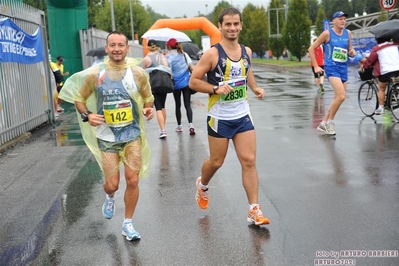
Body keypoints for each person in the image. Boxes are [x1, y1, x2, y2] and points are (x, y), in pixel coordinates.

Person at [59, 31, 155, 241]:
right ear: (107, 48)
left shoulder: (137, 73)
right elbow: (78, 97)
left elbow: (148, 97)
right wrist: (87, 115)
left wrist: (149, 108)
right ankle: (109, 197)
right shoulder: (96, 74)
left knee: (132, 180)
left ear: (127, 48)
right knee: (113, 184)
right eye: (113, 45)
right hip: (107, 137)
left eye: (121, 45)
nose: (117, 49)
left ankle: (128, 224)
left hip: (131, 135)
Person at [189, 7, 269, 226]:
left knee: (249, 161)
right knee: (217, 162)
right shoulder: (213, 54)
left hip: (242, 114)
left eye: (236, 24)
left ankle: (254, 209)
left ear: (241, 25)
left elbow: (247, 71)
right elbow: (193, 81)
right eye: (228, 24)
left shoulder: (247, 51)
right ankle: (202, 185)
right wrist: (215, 89)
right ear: (220, 26)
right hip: (219, 117)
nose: (232, 28)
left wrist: (254, 89)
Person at [308, 11, 356, 136]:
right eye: (340, 19)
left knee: (338, 99)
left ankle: (324, 123)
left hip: (343, 68)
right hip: (331, 67)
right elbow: (311, 48)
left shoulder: (348, 33)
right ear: (333, 21)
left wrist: (352, 52)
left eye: (344, 19)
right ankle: (329, 122)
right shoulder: (327, 34)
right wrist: (317, 66)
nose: (343, 21)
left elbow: (349, 49)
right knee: (341, 96)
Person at [142, 39, 172, 139]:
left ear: (148, 47)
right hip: (163, 82)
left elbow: (144, 74)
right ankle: (163, 127)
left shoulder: (146, 59)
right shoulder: (161, 56)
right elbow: (167, 67)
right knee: (163, 106)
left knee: (158, 107)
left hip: (154, 84)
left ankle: (163, 130)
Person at [166, 38, 196, 135]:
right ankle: (191, 125)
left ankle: (179, 126)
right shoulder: (184, 54)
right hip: (186, 83)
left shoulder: (168, 57)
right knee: (187, 105)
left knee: (177, 105)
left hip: (175, 84)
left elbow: (168, 71)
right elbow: (192, 68)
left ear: (169, 46)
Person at [361, 38, 399, 114]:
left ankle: (381, 107)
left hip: (385, 71)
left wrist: (365, 66)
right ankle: (394, 92)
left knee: (381, 89)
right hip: (397, 69)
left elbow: (370, 61)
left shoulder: (377, 48)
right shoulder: (395, 44)